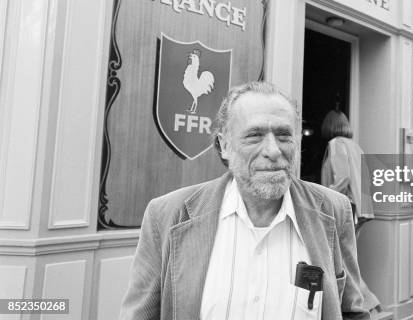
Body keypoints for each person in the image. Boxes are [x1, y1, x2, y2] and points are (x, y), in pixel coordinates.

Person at [119, 81, 370, 320]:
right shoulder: (166, 216)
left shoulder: (334, 211)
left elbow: (351, 311)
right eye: (254, 136)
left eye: (283, 135)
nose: (273, 150)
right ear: (224, 145)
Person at [319, 109, 380, 313]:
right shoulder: (355, 146)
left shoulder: (336, 144)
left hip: (346, 209)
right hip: (360, 209)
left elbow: (342, 178)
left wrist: (321, 198)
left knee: (343, 261)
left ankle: (367, 304)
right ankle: (368, 305)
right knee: (347, 259)